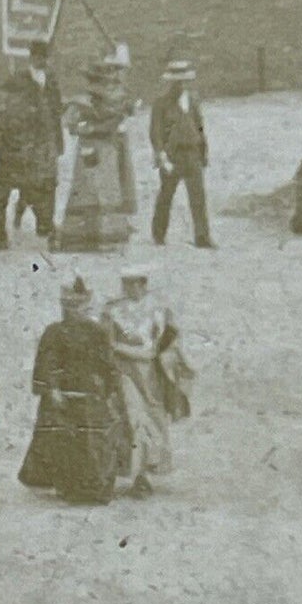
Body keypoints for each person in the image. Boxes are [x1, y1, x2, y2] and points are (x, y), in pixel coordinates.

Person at [18, 277, 130, 504]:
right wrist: (52, 390)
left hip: (91, 396)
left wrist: (111, 392)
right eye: (68, 306)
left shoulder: (96, 332)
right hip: (62, 397)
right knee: (63, 442)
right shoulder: (54, 332)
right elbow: (45, 364)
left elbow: (108, 365)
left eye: (77, 306)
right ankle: (68, 490)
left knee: (94, 443)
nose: (73, 311)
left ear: (86, 306)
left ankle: (95, 491)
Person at [104, 268, 182, 498]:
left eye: (135, 283)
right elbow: (107, 341)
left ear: (143, 284)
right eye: (126, 284)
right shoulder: (114, 310)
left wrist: (122, 349)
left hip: (149, 375)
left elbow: (158, 347)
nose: (130, 288)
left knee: (153, 421)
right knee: (132, 419)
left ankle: (146, 472)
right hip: (124, 372)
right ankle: (135, 475)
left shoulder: (158, 309)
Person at [55, 44, 138, 252]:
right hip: (93, 149)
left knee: (104, 190)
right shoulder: (85, 103)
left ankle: (105, 235)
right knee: (91, 190)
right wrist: (85, 128)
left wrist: (88, 128)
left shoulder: (115, 100)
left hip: (104, 149)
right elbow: (71, 124)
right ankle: (87, 236)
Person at [0, 40, 63, 247]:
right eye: (42, 58)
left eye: (47, 58)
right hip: (17, 145)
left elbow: (56, 110)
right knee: (6, 189)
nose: (46, 62)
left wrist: (57, 142)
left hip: (42, 144)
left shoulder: (51, 80)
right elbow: (3, 111)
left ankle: (43, 224)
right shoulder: (18, 79)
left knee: (45, 186)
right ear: (34, 57)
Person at [150, 57, 215, 248]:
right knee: (166, 195)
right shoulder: (161, 104)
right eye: (176, 81)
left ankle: (202, 237)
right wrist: (161, 156)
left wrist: (203, 153)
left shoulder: (193, 101)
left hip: (192, 154)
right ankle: (158, 233)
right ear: (170, 82)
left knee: (198, 197)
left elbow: (200, 128)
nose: (180, 85)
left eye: (184, 80)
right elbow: (156, 132)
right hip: (173, 156)